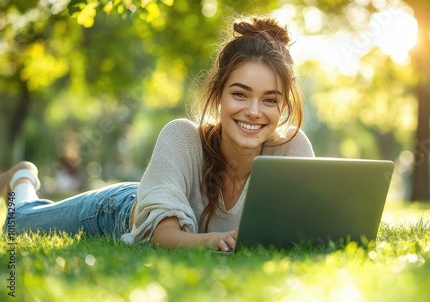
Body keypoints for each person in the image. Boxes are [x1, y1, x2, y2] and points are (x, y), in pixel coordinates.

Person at [0, 16, 315, 252]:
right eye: (240, 94)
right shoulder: (181, 137)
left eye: (270, 100)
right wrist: (216, 241)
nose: (254, 111)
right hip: (121, 211)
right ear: (218, 96)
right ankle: (21, 181)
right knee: (21, 223)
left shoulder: (293, 149)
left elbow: (309, 232)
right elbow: (160, 236)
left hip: (160, 193)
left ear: (283, 105)